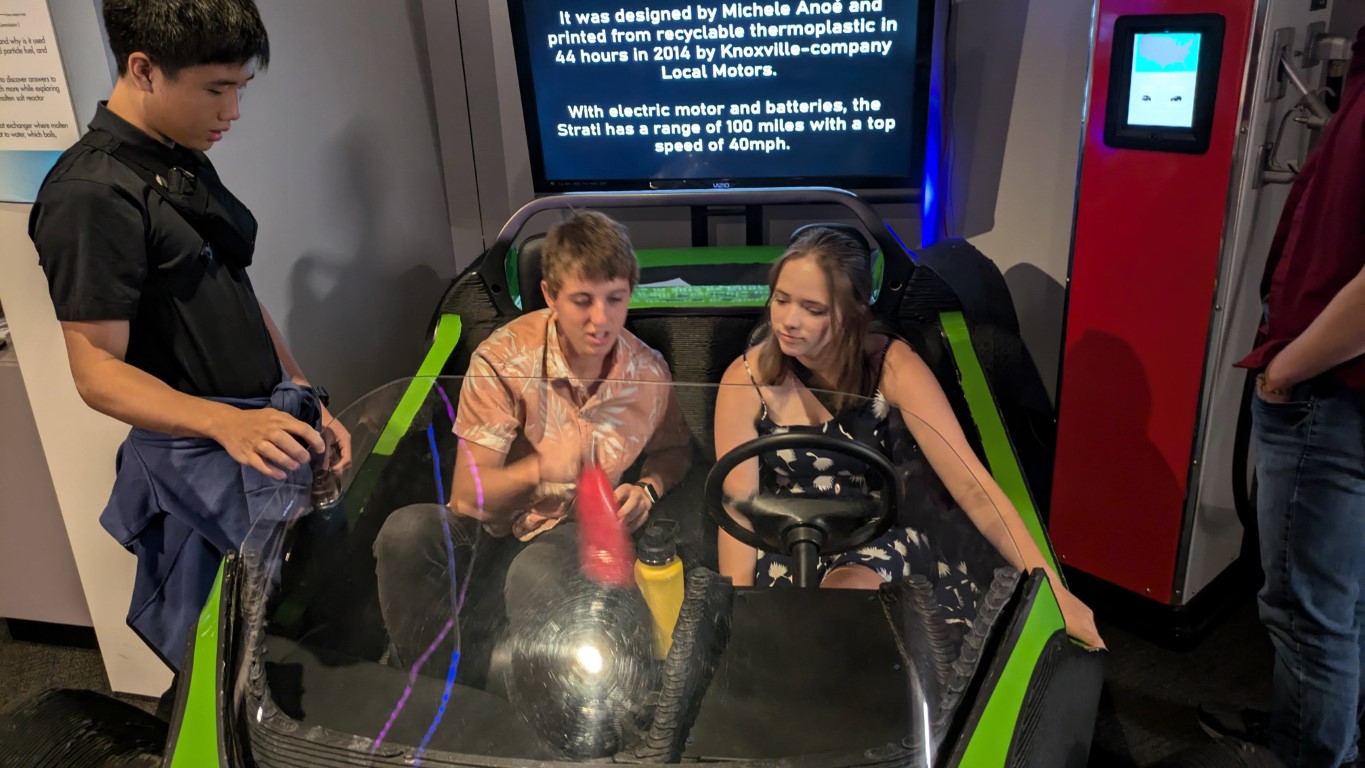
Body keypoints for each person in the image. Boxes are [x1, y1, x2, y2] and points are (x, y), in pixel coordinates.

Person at [27, 0, 350, 680]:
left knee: (298, 632)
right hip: (198, 464)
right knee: (227, 661)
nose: (231, 111)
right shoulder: (88, 194)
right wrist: (223, 424)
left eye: (239, 89)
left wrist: (301, 394)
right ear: (143, 69)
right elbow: (96, 373)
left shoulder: (181, 159)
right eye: (215, 89)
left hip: (259, 426)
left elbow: (230, 286)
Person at [713, 227, 1104, 649]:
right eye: (782, 299)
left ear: (852, 312)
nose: (788, 321)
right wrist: (736, 616)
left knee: (840, 614)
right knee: (779, 641)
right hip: (785, 544)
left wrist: (1052, 591)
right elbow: (739, 513)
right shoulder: (746, 378)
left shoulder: (892, 365)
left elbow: (972, 485)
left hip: (870, 539)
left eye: (812, 308)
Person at [373, 211, 692, 682]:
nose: (600, 320)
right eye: (582, 301)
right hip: (493, 524)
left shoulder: (647, 372)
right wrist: (542, 468)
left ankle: (533, 708)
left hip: (575, 526)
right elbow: (468, 496)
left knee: (535, 571)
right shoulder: (505, 359)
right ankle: (437, 689)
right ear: (549, 295)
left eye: (615, 300)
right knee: (405, 534)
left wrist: (648, 488)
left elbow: (675, 449)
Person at [1199, 25, 1365, 768]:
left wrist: (1286, 369)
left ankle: (1307, 755)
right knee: (1342, 608)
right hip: (1327, 388)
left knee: (1305, 615)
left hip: (1328, 392)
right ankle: (1322, 739)